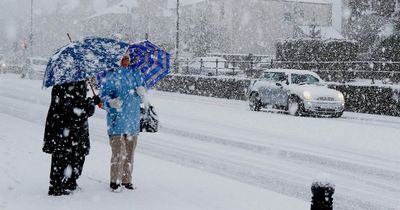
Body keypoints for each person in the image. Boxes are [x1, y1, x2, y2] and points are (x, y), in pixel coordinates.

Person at [43, 80, 100, 196]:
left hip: (61, 127)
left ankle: (61, 183)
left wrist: (89, 102)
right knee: (73, 156)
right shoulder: (75, 85)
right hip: (71, 129)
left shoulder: (60, 84)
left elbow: (73, 106)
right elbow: (78, 110)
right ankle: (62, 184)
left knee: (64, 156)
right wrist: (92, 102)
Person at [99, 55, 146, 191]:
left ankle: (127, 180)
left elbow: (142, 97)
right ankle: (115, 181)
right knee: (119, 153)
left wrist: (142, 92)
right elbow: (102, 98)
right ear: (118, 59)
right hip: (117, 121)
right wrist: (110, 102)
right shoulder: (111, 76)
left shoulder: (136, 74)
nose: (126, 61)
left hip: (132, 121)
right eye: (123, 58)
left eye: (128, 58)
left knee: (130, 153)